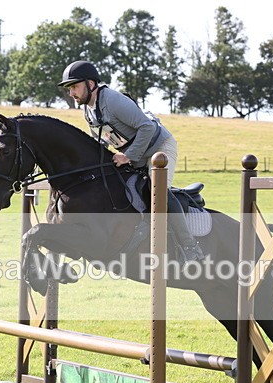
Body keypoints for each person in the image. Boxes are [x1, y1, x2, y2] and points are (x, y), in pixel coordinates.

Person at [57, 60, 204, 263]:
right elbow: (101, 141)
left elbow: (147, 127)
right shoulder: (88, 110)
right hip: (137, 154)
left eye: (74, 86)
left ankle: (191, 248)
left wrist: (127, 156)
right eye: (69, 88)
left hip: (159, 148)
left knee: (157, 192)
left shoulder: (112, 100)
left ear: (90, 84)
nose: (71, 93)